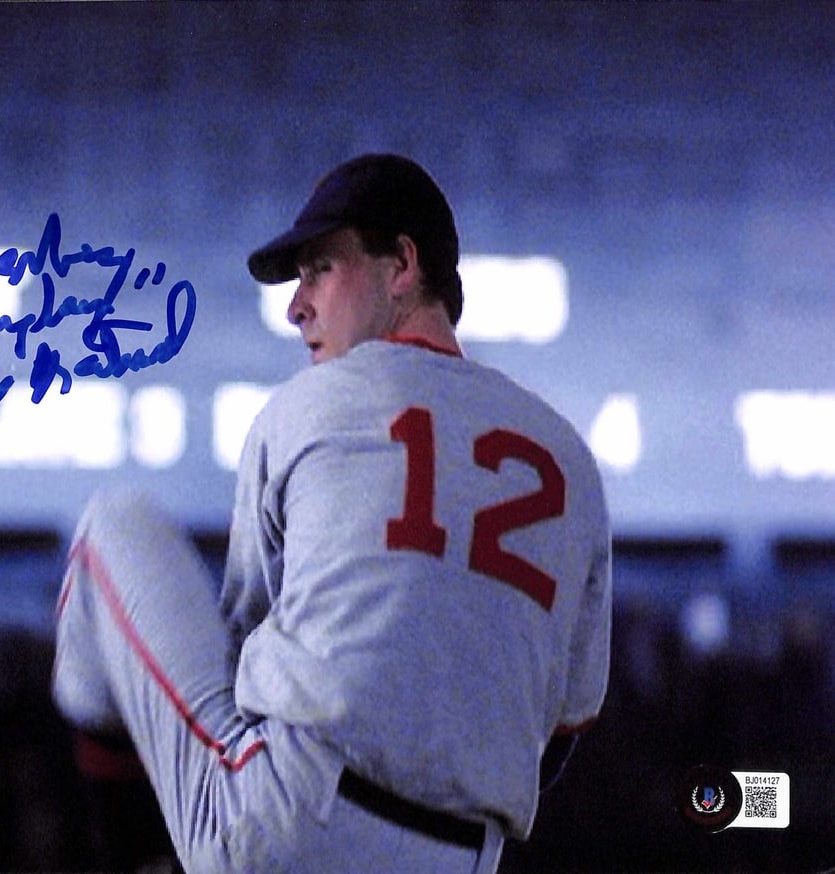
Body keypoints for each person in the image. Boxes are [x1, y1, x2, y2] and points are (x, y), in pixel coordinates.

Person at [51, 153, 612, 873]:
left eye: (319, 268)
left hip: (291, 823)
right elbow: (561, 734)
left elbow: (241, 654)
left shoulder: (311, 405)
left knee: (112, 526)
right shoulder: (570, 459)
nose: (296, 305)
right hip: (464, 859)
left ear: (402, 265)